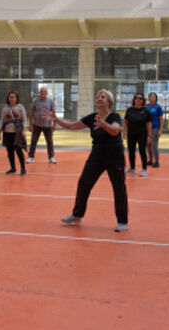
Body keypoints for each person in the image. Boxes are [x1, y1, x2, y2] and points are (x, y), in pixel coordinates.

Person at [45, 90, 129, 232]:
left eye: (102, 97)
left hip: (114, 155)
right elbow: (72, 126)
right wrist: (57, 120)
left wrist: (104, 124)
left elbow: (115, 130)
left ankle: (122, 221)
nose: (99, 98)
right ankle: (77, 215)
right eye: (97, 97)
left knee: (118, 187)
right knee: (84, 182)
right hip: (97, 155)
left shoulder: (114, 116)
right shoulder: (92, 117)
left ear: (109, 101)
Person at [0, 91, 28, 175]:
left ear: (16, 98)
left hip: (17, 132)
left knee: (18, 150)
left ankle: (23, 169)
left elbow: (24, 120)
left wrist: (24, 131)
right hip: (7, 132)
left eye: (14, 97)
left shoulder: (20, 107)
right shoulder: (5, 109)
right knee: (10, 151)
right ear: (8, 98)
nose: (12, 99)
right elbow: (2, 121)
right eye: (10, 97)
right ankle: (13, 168)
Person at [123, 93, 151, 177]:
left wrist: (149, 136)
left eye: (140, 98)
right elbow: (125, 122)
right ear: (134, 100)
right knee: (131, 151)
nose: (138, 100)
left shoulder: (145, 111)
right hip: (131, 134)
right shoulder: (130, 110)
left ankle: (144, 169)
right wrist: (124, 131)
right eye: (136, 98)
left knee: (142, 151)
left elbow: (148, 124)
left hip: (142, 134)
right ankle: (132, 168)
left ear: (143, 101)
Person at [27, 86, 57, 164]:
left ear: (47, 93)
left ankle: (51, 157)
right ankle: (31, 157)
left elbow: (54, 114)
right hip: (36, 125)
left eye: (45, 92)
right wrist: (30, 124)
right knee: (33, 141)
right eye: (41, 91)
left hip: (48, 126)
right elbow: (31, 113)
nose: (43, 93)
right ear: (39, 93)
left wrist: (54, 124)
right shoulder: (35, 101)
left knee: (49, 142)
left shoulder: (51, 102)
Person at [146, 92, 164, 168]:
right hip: (147, 128)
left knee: (154, 144)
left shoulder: (158, 107)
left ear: (156, 98)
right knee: (148, 144)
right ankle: (150, 159)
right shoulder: (146, 106)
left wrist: (160, 130)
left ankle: (156, 161)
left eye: (153, 97)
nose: (152, 98)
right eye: (150, 97)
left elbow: (161, 119)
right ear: (148, 98)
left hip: (155, 127)